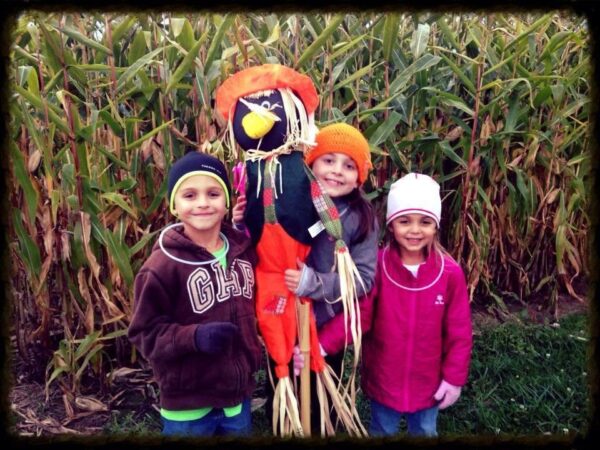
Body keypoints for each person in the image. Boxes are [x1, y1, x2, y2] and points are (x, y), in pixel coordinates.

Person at [234, 123, 379, 432]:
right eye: (328, 160)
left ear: (360, 176)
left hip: (326, 326)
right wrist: (242, 222)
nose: (337, 171)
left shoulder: (360, 217)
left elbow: (364, 279)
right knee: (283, 389)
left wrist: (313, 284)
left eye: (349, 165)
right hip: (284, 320)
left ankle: (324, 426)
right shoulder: (293, 203)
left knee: (323, 394)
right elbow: (259, 245)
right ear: (310, 163)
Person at [317, 172, 473, 437]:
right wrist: (322, 344)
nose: (414, 230)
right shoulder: (376, 267)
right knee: (382, 429)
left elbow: (459, 332)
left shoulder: (450, 274)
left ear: (436, 226)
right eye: (404, 221)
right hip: (384, 378)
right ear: (391, 225)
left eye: (425, 222)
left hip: (429, 381)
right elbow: (360, 315)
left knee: (424, 429)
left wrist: (454, 378)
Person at [128, 151, 262, 437]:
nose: (202, 203)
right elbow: (144, 333)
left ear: (227, 201)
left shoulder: (243, 253)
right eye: (189, 195)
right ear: (174, 205)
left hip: (237, 399)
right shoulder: (161, 267)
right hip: (187, 405)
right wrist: (195, 338)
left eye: (213, 193)